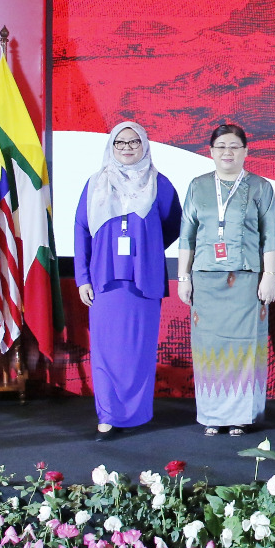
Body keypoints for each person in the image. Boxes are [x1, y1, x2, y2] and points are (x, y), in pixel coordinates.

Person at [73, 121, 182, 441]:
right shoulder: (95, 184)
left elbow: (174, 224)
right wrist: (82, 278)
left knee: (138, 351)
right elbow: (81, 231)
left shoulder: (160, 184)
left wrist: (148, 249)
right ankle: (107, 417)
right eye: (120, 143)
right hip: (105, 281)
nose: (128, 148)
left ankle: (135, 414)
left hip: (143, 282)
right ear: (111, 147)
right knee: (106, 351)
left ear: (145, 145)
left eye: (134, 142)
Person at [177, 123, 275, 436]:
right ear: (210, 152)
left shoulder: (262, 187)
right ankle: (212, 415)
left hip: (247, 281)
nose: (227, 152)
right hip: (206, 281)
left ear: (245, 151)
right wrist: (184, 277)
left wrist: (270, 277)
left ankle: (240, 417)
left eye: (234, 146)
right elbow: (187, 237)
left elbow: (271, 237)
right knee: (209, 348)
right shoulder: (197, 186)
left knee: (244, 349)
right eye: (221, 146)